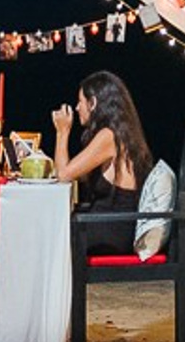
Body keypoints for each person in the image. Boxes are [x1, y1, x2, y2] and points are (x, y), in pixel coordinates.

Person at [50, 68, 158, 255]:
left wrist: (62, 132)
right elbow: (79, 175)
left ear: (93, 103)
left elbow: (63, 176)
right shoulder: (117, 133)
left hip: (111, 231)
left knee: (49, 235)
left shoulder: (109, 136)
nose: (77, 108)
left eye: (80, 102)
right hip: (105, 223)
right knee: (51, 228)